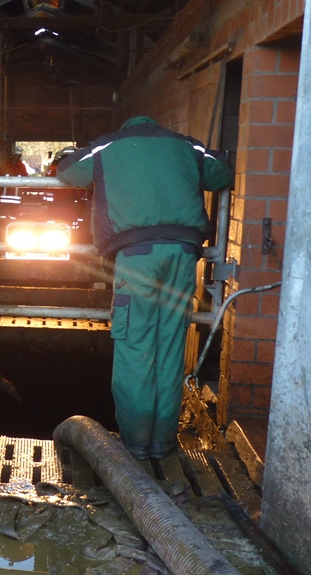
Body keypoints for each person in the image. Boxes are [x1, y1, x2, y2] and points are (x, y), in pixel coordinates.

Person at [55, 116, 233, 460]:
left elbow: (68, 170)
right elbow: (222, 172)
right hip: (183, 254)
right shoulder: (187, 145)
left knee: (135, 346)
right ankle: (162, 442)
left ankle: (136, 443)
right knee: (170, 346)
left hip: (138, 255)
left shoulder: (109, 146)